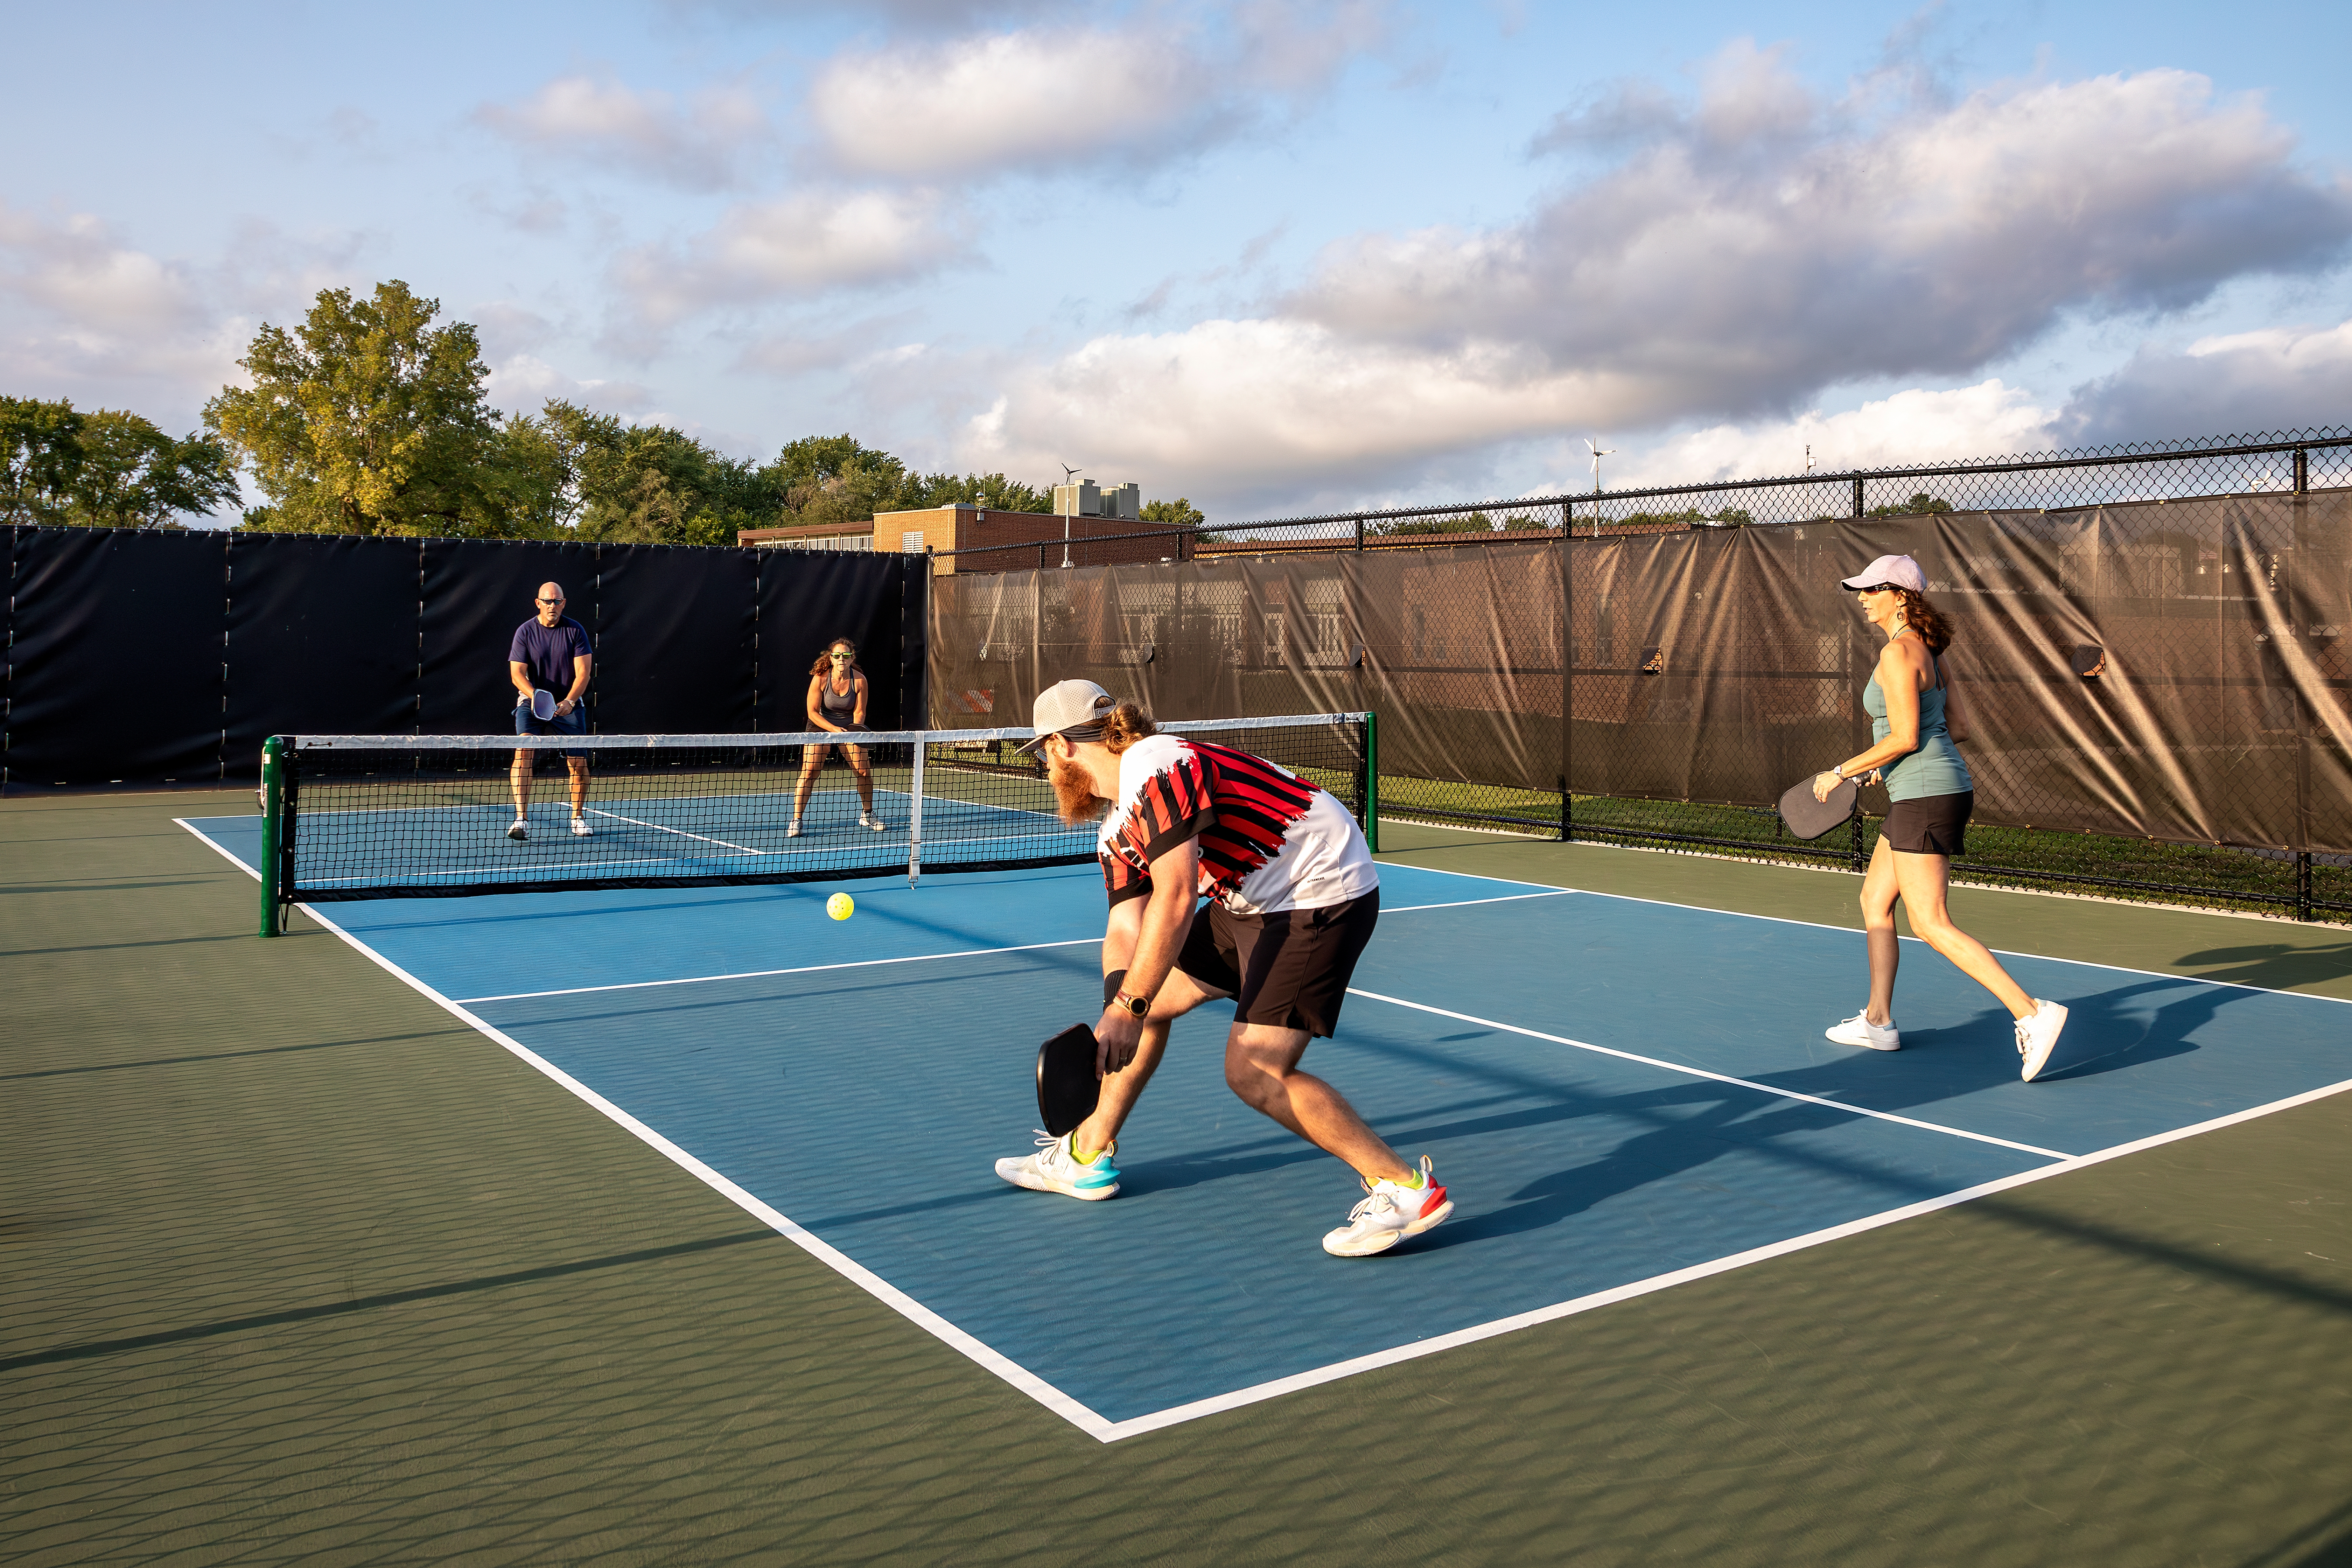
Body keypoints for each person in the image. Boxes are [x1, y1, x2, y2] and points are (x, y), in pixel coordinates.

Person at [992, 679, 1452, 1258]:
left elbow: (1178, 896)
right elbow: (1126, 930)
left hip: (1319, 892)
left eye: (1041, 756)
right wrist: (1122, 1003)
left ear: (1060, 746)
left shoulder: (1156, 766)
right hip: (1254, 900)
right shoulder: (1116, 827)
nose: (1046, 771)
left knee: (1255, 1072)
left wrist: (1129, 1007)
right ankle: (1085, 1157)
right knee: (1147, 997)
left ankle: (1406, 1190)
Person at [1814, 554, 2068, 1081]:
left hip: (1928, 797)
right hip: (1928, 790)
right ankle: (1879, 1021)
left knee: (1930, 921)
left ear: (1900, 596)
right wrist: (1890, 765)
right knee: (1874, 900)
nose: (1861, 598)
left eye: (1871, 590)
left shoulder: (1898, 653)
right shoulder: (1931, 651)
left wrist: (1842, 771)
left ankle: (2032, 1013)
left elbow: (1905, 736)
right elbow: (1958, 728)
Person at [508, 581, 593, 840]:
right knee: (523, 753)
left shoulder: (576, 631)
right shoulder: (525, 632)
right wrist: (538, 697)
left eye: (557, 602)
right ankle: (521, 819)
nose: (552, 606)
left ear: (563, 603)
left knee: (578, 763)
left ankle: (577, 818)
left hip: (568, 705)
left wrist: (568, 701)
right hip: (532, 703)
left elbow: (584, 673)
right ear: (538, 603)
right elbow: (517, 674)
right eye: (547, 601)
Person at [789, 637, 887, 836]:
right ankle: (796, 820)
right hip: (820, 726)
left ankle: (867, 815)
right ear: (831, 658)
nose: (841, 658)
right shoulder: (821, 678)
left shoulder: (860, 680)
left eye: (846, 655)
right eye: (837, 655)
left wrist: (854, 730)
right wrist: (833, 729)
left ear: (852, 658)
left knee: (864, 773)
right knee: (809, 773)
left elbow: (860, 712)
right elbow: (813, 713)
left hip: (849, 727)